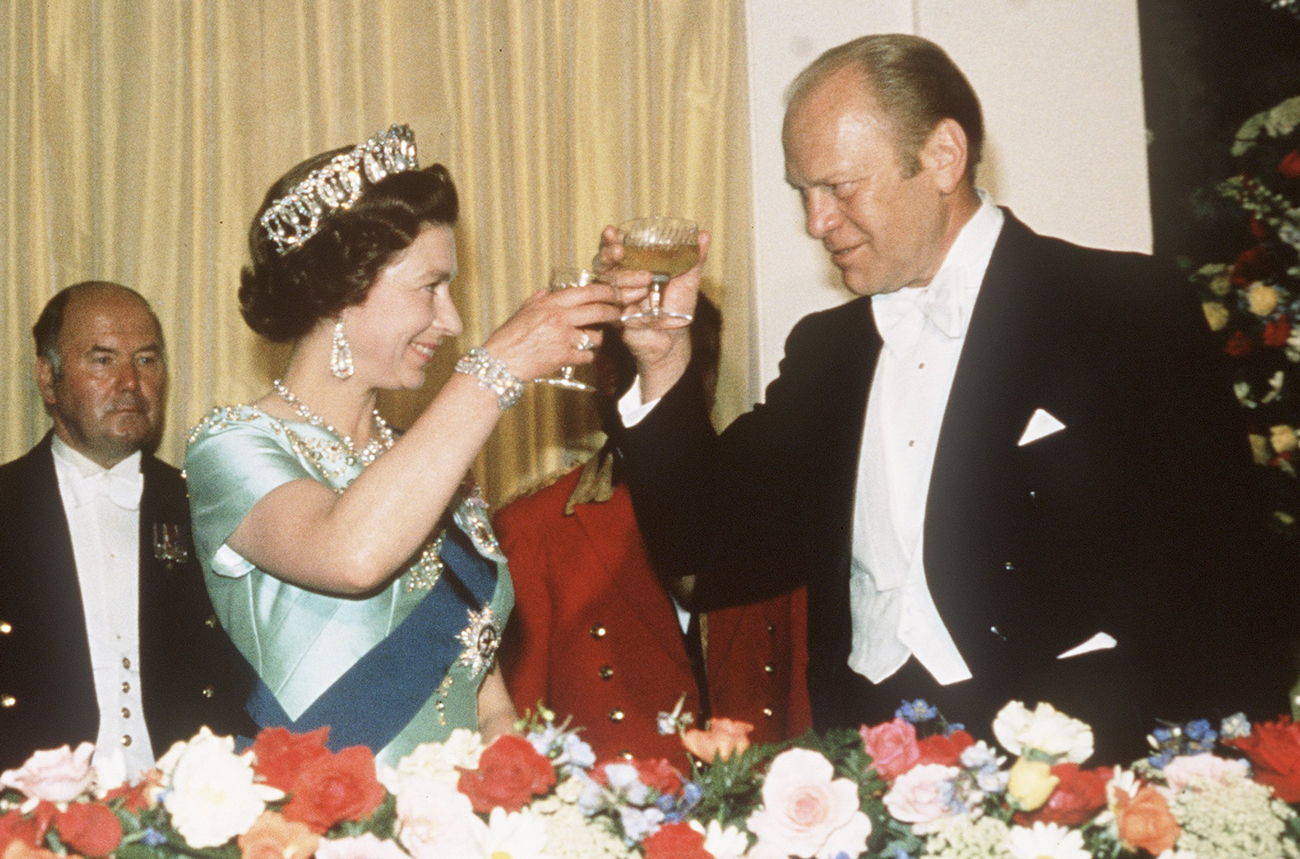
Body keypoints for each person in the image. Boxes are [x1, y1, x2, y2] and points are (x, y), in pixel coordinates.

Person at [598, 35, 1293, 762]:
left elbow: (1225, 585)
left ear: (943, 157)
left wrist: (1241, 787)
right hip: (869, 780)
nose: (815, 222)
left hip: (1075, 783)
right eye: (802, 192)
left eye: (838, 187)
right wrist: (664, 360)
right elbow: (706, 550)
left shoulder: (1122, 307)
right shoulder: (828, 352)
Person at [184, 125, 623, 767]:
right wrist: (494, 368)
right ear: (341, 290)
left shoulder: (431, 461)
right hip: (328, 825)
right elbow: (352, 553)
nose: (453, 322)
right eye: (429, 287)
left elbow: (487, 697)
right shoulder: (234, 447)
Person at [496, 297, 811, 763]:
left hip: (763, 814)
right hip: (615, 820)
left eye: (698, 364)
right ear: (606, 375)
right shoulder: (534, 529)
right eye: (659, 356)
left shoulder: (769, 506)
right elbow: (518, 730)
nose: (685, 380)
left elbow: (800, 702)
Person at [0, 282, 255, 778]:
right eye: (102, 360)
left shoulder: (206, 507)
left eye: (147, 360)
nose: (131, 383)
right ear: (47, 379)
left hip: (182, 819)